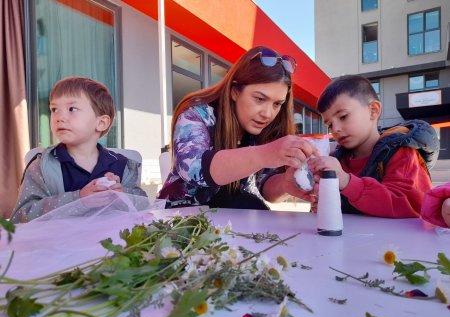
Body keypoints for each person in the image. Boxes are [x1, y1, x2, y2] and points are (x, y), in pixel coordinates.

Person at [157, 46, 319, 209]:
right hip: (179, 222)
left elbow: (265, 185)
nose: (268, 114)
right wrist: (265, 153)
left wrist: (285, 184)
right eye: (259, 99)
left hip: (233, 221)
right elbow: (193, 167)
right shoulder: (196, 114)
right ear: (235, 91)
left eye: (277, 104)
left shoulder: (263, 128)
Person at [10, 77, 146, 223]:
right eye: (54, 109)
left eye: (72, 109)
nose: (59, 117)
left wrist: (121, 194)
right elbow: (22, 216)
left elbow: (144, 206)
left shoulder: (122, 165)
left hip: (113, 244)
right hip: (59, 244)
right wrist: (80, 199)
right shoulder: (42, 165)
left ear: (101, 123)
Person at [308, 75, 439, 218]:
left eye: (343, 116)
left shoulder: (401, 152)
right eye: (330, 125)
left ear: (373, 110)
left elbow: (409, 205)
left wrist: (347, 182)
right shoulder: (338, 159)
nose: (336, 129)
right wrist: (326, 202)